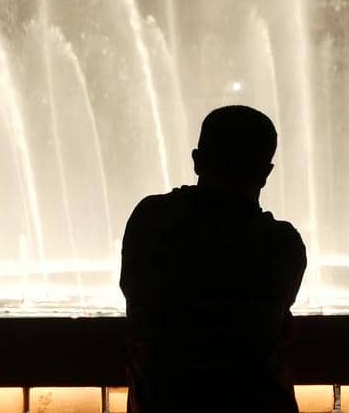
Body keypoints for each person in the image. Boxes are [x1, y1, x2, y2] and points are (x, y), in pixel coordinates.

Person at [120, 105, 307, 413]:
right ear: (265, 171)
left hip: (163, 402)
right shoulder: (281, 244)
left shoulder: (151, 220)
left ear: (197, 161)